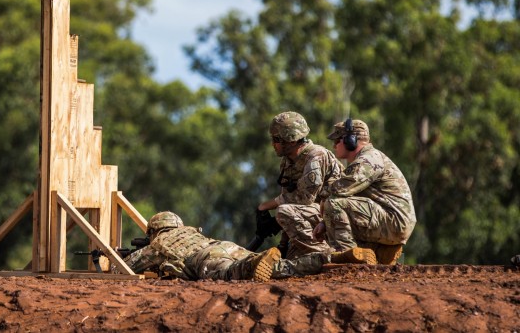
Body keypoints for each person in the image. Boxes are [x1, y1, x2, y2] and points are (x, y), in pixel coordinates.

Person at [123, 211, 377, 281]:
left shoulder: (158, 243)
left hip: (205, 261)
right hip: (224, 245)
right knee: (281, 267)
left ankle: (254, 263)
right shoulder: (189, 232)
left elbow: (124, 268)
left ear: (154, 230)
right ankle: (333, 257)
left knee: (241, 272)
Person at [314, 118, 417, 265]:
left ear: (351, 140)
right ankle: (380, 252)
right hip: (391, 221)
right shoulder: (367, 158)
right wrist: (326, 222)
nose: (334, 145)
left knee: (333, 203)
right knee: (335, 213)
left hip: (394, 222)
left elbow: (340, 189)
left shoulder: (369, 159)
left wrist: (315, 195)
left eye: (338, 140)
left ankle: (346, 257)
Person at [257, 112, 344, 259]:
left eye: (276, 139)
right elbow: (291, 201)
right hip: (316, 218)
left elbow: (304, 199)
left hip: (335, 215)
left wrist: (266, 206)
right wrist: (283, 245)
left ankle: (326, 254)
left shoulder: (316, 156)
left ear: (291, 141)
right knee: (290, 258)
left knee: (282, 211)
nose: (273, 144)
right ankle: (315, 254)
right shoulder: (287, 161)